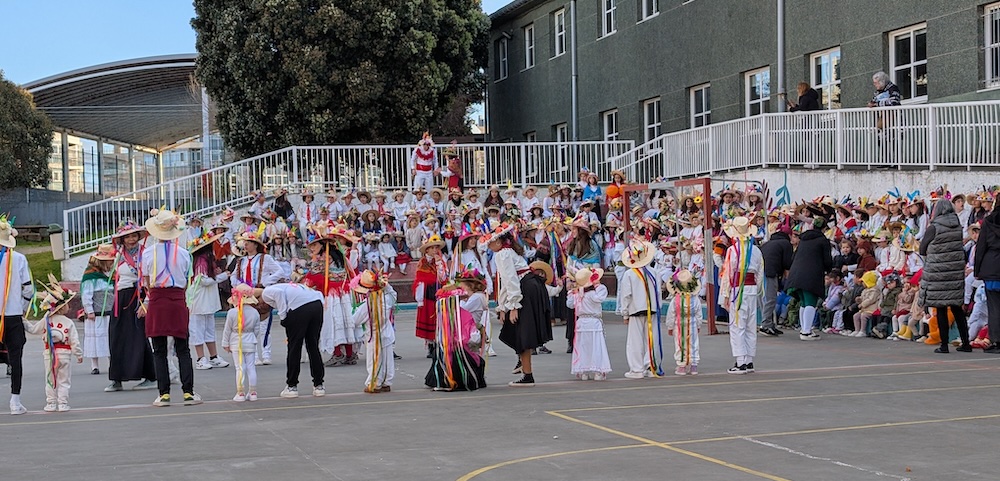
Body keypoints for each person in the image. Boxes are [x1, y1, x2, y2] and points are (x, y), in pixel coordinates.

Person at [141, 209, 201, 407]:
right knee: (182, 348)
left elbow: (146, 281)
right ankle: (188, 392)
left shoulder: (148, 253)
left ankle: (164, 393)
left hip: (157, 299)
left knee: (159, 350)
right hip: (176, 299)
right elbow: (186, 281)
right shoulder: (184, 254)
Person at [483, 223, 552, 387]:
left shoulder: (503, 254)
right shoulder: (507, 252)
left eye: (491, 242)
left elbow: (510, 280)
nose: (489, 245)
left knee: (522, 330)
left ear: (499, 242)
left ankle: (527, 374)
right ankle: (523, 365)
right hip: (528, 287)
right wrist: (502, 307)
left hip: (526, 289)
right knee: (517, 330)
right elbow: (506, 282)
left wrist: (513, 306)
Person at [106, 220, 156, 393]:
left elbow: (150, 278)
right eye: (127, 237)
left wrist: (147, 301)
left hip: (138, 297)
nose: (131, 240)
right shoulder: (118, 254)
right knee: (116, 336)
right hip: (121, 298)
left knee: (139, 337)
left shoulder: (145, 254)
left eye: (134, 236)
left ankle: (151, 375)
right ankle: (116, 378)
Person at [920, 199, 972, 353]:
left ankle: (943, 345)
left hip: (938, 272)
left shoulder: (933, 227)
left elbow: (922, 248)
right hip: (955, 272)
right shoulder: (957, 226)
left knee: (941, 308)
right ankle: (966, 343)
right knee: (957, 309)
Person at [23, 277, 83, 412]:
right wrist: (78, 354)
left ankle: (50, 403)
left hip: (49, 354)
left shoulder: (46, 319)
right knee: (64, 379)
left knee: (50, 378)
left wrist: (23, 321)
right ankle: (63, 403)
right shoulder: (68, 322)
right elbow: (74, 340)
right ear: (64, 307)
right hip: (65, 354)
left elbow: (33, 330)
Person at [303, 225, 359, 367]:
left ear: (322, 245)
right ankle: (349, 353)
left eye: (315, 246)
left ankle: (338, 354)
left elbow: (312, 277)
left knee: (333, 323)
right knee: (346, 323)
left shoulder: (324, 258)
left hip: (332, 295)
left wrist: (302, 285)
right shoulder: (340, 254)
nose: (313, 249)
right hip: (344, 292)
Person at [261, 282, 326, 398]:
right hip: (316, 304)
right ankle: (319, 384)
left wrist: (283, 317)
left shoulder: (266, 292)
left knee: (294, 347)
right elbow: (318, 294)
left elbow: (279, 294)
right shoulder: (291, 286)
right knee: (313, 346)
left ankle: (292, 386)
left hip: (298, 309)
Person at [719, 217, 764, 374]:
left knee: (738, 325)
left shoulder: (733, 250)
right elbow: (759, 274)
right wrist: (757, 290)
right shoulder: (757, 251)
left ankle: (740, 361)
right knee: (751, 325)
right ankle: (749, 359)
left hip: (738, 289)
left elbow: (728, 274)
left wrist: (725, 295)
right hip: (751, 289)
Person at [231, 231, 283, 365]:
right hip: (246, 294)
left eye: (248, 243)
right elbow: (233, 276)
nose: (245, 245)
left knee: (264, 324)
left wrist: (265, 282)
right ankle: (252, 355)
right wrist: (238, 286)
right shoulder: (241, 260)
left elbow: (279, 271)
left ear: (255, 245)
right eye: (245, 243)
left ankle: (266, 354)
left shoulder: (265, 258)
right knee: (249, 325)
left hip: (261, 292)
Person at [617, 236, 664, 379]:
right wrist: (659, 307)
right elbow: (658, 292)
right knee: (652, 338)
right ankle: (651, 366)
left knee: (635, 340)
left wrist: (625, 313)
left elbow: (626, 295)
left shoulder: (630, 274)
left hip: (635, 310)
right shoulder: (655, 272)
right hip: (653, 309)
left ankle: (637, 369)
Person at [785, 207, 834, 341]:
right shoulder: (823, 240)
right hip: (811, 275)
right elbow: (827, 259)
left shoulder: (804, 240)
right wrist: (829, 270)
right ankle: (806, 331)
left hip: (796, 274)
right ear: (824, 228)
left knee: (803, 302)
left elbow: (793, 257)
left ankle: (804, 328)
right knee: (811, 302)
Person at [187, 232, 230, 371]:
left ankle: (214, 356)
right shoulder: (201, 261)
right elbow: (203, 280)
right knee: (197, 328)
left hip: (208, 299)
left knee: (209, 328)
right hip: (199, 299)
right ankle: (200, 358)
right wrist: (223, 276)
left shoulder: (207, 259)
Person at [350, 270, 397, 393]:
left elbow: (354, 320)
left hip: (373, 336)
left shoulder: (366, 305)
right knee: (387, 359)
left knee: (374, 359)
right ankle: (386, 382)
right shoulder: (386, 300)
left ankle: (374, 383)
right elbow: (393, 294)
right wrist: (386, 285)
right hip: (386, 334)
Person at [566, 267, 612, 381]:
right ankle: (597, 371)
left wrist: (572, 292)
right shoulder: (592, 294)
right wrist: (597, 285)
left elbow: (569, 304)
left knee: (583, 347)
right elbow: (601, 296)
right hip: (593, 322)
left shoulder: (577, 295)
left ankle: (584, 371)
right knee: (596, 346)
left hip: (581, 323)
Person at [221, 284, 261, 402]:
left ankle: (240, 393)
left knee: (240, 368)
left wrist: (225, 343)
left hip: (236, 340)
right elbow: (257, 330)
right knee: (251, 367)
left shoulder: (232, 312)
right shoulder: (255, 313)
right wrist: (253, 338)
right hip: (250, 340)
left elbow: (227, 329)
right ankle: (253, 392)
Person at [80, 244, 115, 374]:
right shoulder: (90, 275)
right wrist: (89, 310)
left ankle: (111, 362)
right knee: (94, 338)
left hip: (109, 311)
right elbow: (86, 294)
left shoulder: (111, 275)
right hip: (96, 313)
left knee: (109, 337)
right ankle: (94, 365)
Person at [414, 234, 449, 358]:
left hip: (438, 292)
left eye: (436, 247)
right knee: (429, 317)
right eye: (432, 248)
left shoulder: (441, 260)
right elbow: (419, 281)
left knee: (438, 319)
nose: (435, 250)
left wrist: (440, 266)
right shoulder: (422, 263)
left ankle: (438, 343)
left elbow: (444, 278)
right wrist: (419, 300)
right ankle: (430, 345)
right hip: (427, 294)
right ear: (427, 249)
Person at [665, 269, 702, 376]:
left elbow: (671, 314)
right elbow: (699, 313)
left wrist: (670, 326)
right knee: (693, 343)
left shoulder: (675, 300)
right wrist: (698, 324)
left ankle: (681, 365)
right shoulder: (695, 299)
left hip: (679, 323)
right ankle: (693, 365)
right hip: (693, 322)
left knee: (680, 342)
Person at [760, 225, 793, 336]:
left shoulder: (768, 243)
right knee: (771, 298)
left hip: (760, 271)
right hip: (771, 271)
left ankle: (769, 324)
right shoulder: (786, 244)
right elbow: (787, 263)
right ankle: (765, 325)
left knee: (764, 299)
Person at [975, 208, 1000, 353]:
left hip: (992, 267)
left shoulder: (988, 222)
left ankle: (996, 340)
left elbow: (981, 247)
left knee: (994, 307)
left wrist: (978, 270)